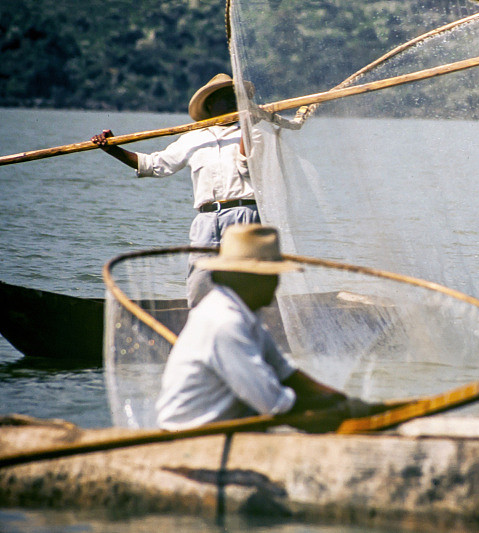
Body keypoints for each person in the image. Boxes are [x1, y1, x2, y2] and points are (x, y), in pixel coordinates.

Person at [155, 224, 348, 430]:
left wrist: (341, 399)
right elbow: (273, 404)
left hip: (225, 429)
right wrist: (338, 412)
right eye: (270, 276)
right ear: (249, 279)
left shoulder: (246, 315)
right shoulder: (225, 323)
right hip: (189, 435)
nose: (276, 283)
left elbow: (287, 373)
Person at [92, 73, 258, 306]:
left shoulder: (253, 131)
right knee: (200, 282)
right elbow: (154, 165)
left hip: (244, 215)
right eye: (226, 97)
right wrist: (113, 149)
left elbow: (246, 166)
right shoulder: (194, 138)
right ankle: (199, 321)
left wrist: (248, 126)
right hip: (207, 219)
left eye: (236, 97)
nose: (233, 102)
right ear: (211, 105)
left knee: (244, 283)